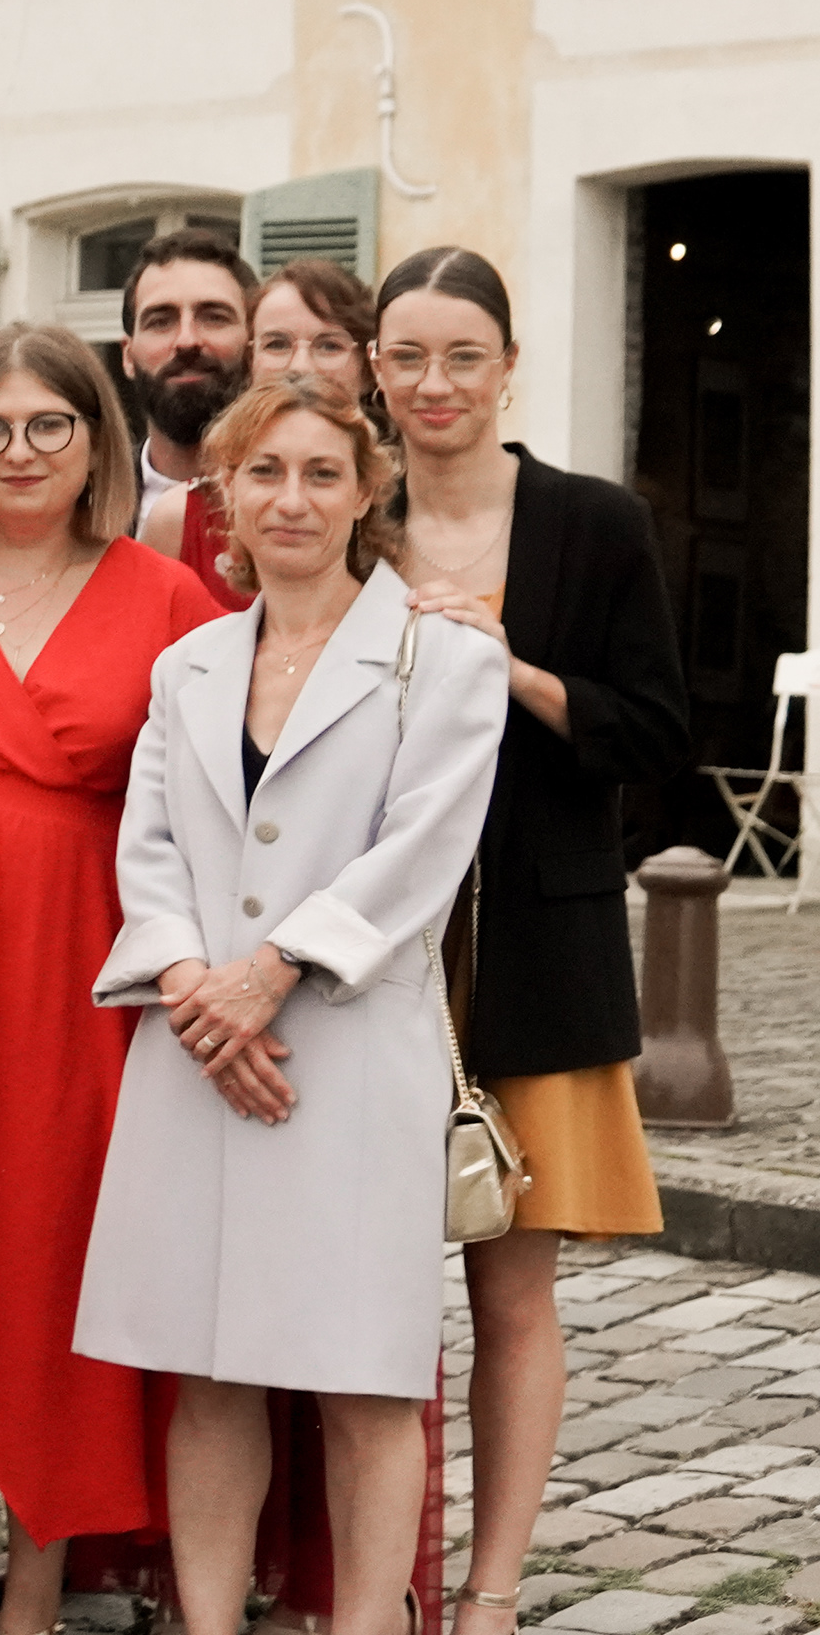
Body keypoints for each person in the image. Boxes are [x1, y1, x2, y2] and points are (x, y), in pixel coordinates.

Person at [72, 376, 509, 1635]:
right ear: (226, 492)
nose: (292, 499)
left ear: (369, 489)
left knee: (365, 1381)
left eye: (323, 472)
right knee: (208, 1376)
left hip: (349, 1058)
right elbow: (148, 848)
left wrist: (271, 973)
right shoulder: (188, 665)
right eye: (264, 472)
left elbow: (423, 850)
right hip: (194, 1057)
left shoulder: (444, 656)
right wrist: (191, 988)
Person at [0, 326, 222, 1635]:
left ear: (95, 441)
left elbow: (226, 787)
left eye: (49, 426)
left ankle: (38, 1592)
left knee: (53, 1268)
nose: (19, 452)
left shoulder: (166, 597)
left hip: (81, 977)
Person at [366, 249, 690, 1635]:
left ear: (509, 365)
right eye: (407, 356)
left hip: (539, 949)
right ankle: (366, 1580)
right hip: (374, 952)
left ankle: (490, 1589)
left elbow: (657, 736)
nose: (434, 383)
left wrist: (507, 672)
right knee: (365, 1298)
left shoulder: (593, 522)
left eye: (462, 356)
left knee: (511, 1296)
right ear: (374, 370)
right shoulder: (349, 507)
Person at [142, 261, 378, 610]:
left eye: (329, 345)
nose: (300, 366)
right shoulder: (178, 520)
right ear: (250, 362)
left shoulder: (413, 512)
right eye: (277, 344)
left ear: (368, 369)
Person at [116, 230, 256, 529]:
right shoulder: (82, 510)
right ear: (127, 356)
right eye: (160, 321)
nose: (187, 341)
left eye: (214, 317)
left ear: (253, 343)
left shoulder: (306, 503)